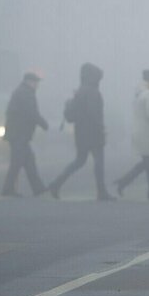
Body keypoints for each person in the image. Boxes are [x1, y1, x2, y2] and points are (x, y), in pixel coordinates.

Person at [49, 63, 116, 202]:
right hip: (93, 133)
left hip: (81, 132)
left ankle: (56, 184)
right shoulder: (92, 91)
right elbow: (93, 113)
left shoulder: (80, 90)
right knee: (98, 163)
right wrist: (101, 128)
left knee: (79, 161)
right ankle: (101, 192)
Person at [1, 71, 49, 197]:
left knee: (28, 161)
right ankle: (8, 190)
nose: (37, 85)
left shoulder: (22, 91)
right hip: (19, 134)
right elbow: (31, 112)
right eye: (36, 82)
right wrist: (43, 124)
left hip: (18, 133)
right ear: (29, 82)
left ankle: (38, 188)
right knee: (17, 162)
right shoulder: (25, 93)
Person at [114, 69, 149, 200]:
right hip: (147, 133)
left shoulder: (139, 94)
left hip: (140, 132)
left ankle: (148, 190)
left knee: (148, 163)